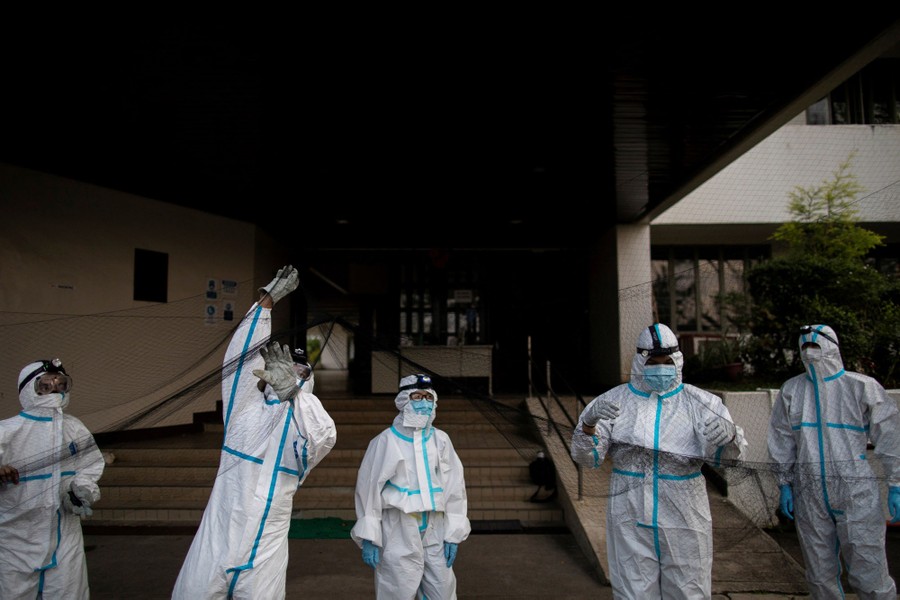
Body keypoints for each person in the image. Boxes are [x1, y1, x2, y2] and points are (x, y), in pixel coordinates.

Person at [172, 265, 337, 599]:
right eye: (288, 364)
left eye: (301, 371)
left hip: (266, 548)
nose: (292, 371)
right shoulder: (244, 412)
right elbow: (239, 362)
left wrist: (294, 394)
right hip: (218, 536)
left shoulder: (306, 420)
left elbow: (322, 437)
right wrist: (265, 304)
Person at [570, 323, 747, 599]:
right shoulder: (614, 402)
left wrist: (730, 438)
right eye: (653, 361)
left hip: (684, 514)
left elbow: (726, 463)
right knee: (632, 592)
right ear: (640, 361)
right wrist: (589, 425)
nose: (660, 367)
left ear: (677, 360)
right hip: (629, 513)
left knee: (689, 591)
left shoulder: (702, 403)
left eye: (667, 361)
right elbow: (587, 458)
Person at [768, 323, 900, 599]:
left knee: (869, 570)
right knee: (819, 574)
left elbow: (890, 436)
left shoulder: (861, 386)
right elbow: (782, 441)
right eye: (805, 348)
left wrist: (897, 482)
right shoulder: (792, 390)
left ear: (832, 348)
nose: (810, 353)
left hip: (856, 490)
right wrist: (785, 484)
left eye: (816, 346)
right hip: (810, 492)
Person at [351, 373, 471, 599]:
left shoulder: (441, 440)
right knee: (397, 590)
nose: (424, 403)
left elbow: (455, 487)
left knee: (442, 590)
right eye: (417, 396)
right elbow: (368, 489)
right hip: (398, 529)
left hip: (435, 529)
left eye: (428, 397)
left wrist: (454, 532)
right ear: (404, 400)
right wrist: (369, 534)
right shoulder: (386, 441)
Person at [0, 358, 105, 599]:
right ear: (29, 389)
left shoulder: (74, 429)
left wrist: (81, 491)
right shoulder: (6, 432)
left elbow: (90, 467)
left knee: (69, 593)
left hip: (64, 535)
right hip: (16, 539)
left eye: (61, 384)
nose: (55, 391)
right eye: (46, 386)